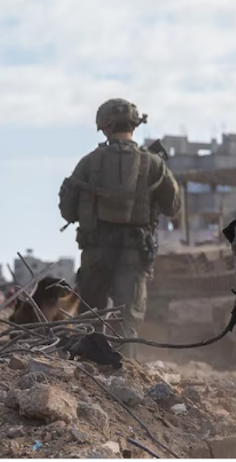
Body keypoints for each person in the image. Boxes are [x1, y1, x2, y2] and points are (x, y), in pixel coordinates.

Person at [58, 99, 182, 358]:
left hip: (95, 251)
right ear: (135, 125)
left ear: (105, 126)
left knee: (91, 313)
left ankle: (89, 364)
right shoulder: (154, 164)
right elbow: (173, 206)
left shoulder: (89, 163)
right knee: (129, 316)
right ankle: (124, 370)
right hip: (134, 252)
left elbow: (67, 210)